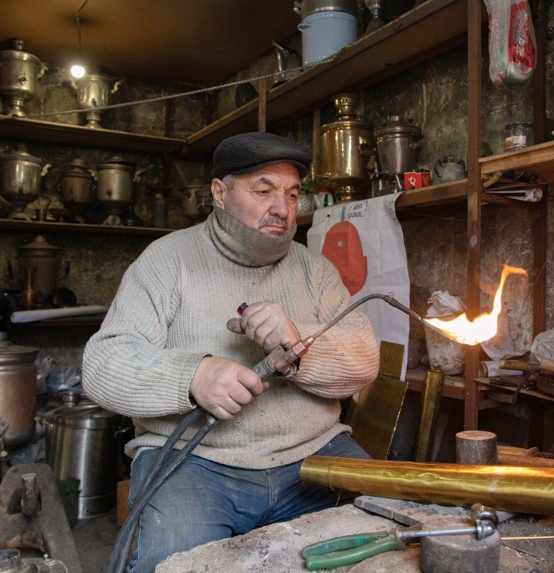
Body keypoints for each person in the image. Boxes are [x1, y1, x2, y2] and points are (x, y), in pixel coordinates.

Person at [82, 131, 380, 572]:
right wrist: (192, 376)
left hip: (314, 455)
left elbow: (365, 361)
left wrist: (298, 342)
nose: (282, 208)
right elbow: (103, 362)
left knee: (396, 532)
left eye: (292, 193)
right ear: (220, 193)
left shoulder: (315, 270)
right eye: (264, 190)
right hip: (195, 463)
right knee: (176, 561)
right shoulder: (167, 261)